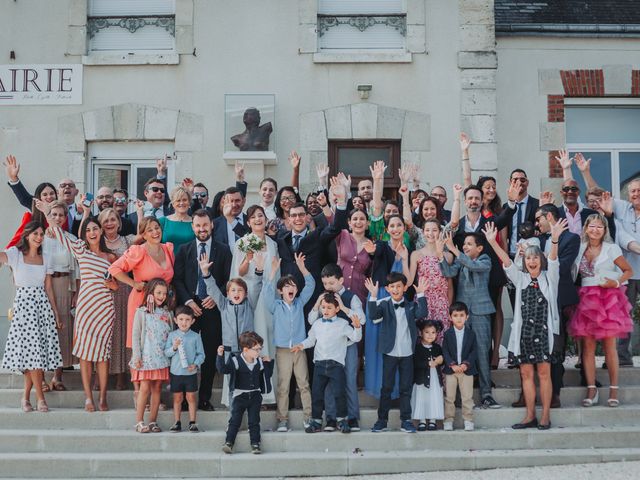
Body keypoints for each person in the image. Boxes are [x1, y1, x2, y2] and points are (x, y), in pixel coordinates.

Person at [484, 220, 564, 430]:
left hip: (544, 333)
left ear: (541, 259)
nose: (531, 261)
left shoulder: (549, 278)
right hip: (524, 335)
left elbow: (554, 260)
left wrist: (554, 239)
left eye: (535, 257)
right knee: (526, 374)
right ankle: (530, 415)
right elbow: (506, 262)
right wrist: (493, 243)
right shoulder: (520, 279)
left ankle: (545, 415)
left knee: (544, 374)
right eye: (528, 258)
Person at [47, 207, 117, 412]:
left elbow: (116, 286)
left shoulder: (111, 257)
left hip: (105, 309)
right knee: (85, 355)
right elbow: (59, 232)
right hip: (86, 308)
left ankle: (103, 396)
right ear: (84, 234)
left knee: (103, 356)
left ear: (101, 231)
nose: (92, 233)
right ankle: (88, 398)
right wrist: (46, 213)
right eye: (88, 230)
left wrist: (112, 285)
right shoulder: (80, 250)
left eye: (95, 229)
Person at [108, 216, 175, 406]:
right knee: (140, 343)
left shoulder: (167, 249)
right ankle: (139, 392)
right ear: (143, 234)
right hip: (141, 302)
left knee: (158, 345)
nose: (155, 232)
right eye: (150, 230)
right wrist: (133, 283)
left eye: (157, 228)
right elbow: (115, 268)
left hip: (162, 304)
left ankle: (156, 391)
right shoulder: (138, 251)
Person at [569, 214, 634, 407]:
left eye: (600, 227)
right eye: (592, 226)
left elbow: (628, 271)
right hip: (585, 299)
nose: (595, 230)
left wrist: (615, 282)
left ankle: (614, 390)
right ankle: (591, 389)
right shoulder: (580, 248)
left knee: (609, 347)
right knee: (587, 348)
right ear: (586, 228)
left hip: (607, 298)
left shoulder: (612, 248)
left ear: (605, 230)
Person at [173, 209, 232, 411]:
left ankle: (204, 398)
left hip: (212, 308)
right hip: (189, 308)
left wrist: (216, 298)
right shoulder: (184, 250)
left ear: (211, 225)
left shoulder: (223, 250)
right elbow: (177, 280)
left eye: (205, 225)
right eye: (198, 225)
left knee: (208, 354)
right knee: (185, 352)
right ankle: (182, 399)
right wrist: (189, 301)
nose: (202, 229)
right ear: (193, 227)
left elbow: (228, 279)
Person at [1, 222, 62, 413]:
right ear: (27, 235)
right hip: (24, 308)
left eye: (41, 234)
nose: (39, 237)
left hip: (41, 307)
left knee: (35, 355)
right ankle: (40, 398)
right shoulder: (15, 254)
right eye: (35, 233)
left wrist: (56, 313)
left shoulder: (46, 258)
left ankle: (25, 397)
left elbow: (49, 289)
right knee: (32, 354)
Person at [439, 231, 500, 409]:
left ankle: (486, 394)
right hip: (462, 314)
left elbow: (474, 266)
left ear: (479, 248)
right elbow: (448, 272)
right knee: (460, 351)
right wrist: (441, 254)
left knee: (481, 351)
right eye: (464, 244)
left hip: (481, 312)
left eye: (469, 244)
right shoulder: (461, 259)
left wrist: (455, 251)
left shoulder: (485, 260)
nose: (465, 247)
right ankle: (458, 396)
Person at [365, 273, 429, 434]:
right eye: (392, 286)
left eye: (399, 286)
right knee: (386, 387)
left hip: (407, 353)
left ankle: (406, 420)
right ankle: (382, 420)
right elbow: (373, 315)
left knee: (405, 388)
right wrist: (373, 295)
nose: (395, 289)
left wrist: (420, 294)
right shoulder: (384, 305)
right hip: (390, 352)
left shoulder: (410, 305)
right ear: (387, 289)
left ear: (405, 288)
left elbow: (422, 314)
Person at [230, 205, 280, 405]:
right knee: (251, 341)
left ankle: (267, 393)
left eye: (261, 215)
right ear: (248, 222)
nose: (258, 219)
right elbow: (239, 273)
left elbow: (276, 271)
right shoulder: (243, 243)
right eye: (253, 217)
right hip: (251, 294)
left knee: (267, 340)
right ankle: (246, 391)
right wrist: (248, 258)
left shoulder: (272, 243)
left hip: (269, 295)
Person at [293, 293, 362, 434]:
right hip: (319, 365)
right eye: (323, 307)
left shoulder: (343, 324)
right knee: (317, 394)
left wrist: (357, 327)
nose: (325, 310)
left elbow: (356, 338)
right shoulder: (317, 324)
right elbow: (311, 340)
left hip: (336, 365)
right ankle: (316, 422)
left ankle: (342, 421)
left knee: (339, 394)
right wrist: (301, 345)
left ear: (337, 309)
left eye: (329, 308)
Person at [308, 264, 366, 431]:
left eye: (332, 283)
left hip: (348, 345)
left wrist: (343, 306)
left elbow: (361, 320)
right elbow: (312, 320)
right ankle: (331, 418)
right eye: (325, 284)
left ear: (341, 280)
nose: (328, 287)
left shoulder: (351, 297)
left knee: (348, 381)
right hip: (329, 348)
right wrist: (318, 302)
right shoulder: (324, 298)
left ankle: (352, 417)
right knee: (327, 384)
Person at [263, 255, 315, 432]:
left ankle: (309, 418)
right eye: (286, 286)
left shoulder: (300, 303)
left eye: (293, 286)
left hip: (299, 349)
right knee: (283, 385)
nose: (290, 288)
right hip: (283, 350)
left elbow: (311, 285)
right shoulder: (275, 306)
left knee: (304, 384)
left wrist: (302, 267)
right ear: (281, 291)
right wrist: (273, 272)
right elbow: (266, 292)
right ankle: (282, 420)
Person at [200, 253, 256, 407]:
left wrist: (259, 270)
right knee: (233, 387)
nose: (236, 293)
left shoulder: (249, 305)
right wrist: (205, 273)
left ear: (245, 294)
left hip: (247, 353)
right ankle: (233, 419)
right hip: (230, 354)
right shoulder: (224, 305)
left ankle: (249, 416)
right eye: (233, 290)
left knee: (249, 386)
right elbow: (212, 290)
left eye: (239, 290)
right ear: (227, 293)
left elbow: (257, 286)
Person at [363, 214, 409, 399]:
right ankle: (379, 388)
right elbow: (375, 252)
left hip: (398, 298)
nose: (396, 228)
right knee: (376, 343)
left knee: (397, 342)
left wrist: (404, 259)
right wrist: (372, 251)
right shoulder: (382, 245)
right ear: (387, 229)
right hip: (379, 294)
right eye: (392, 225)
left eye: (399, 225)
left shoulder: (408, 249)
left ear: (404, 229)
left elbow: (409, 279)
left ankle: (397, 390)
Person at [98, 207, 138, 390]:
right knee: (105, 333)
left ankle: (122, 373)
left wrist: (140, 212)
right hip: (103, 290)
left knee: (122, 331)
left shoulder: (127, 240)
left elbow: (143, 235)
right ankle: (100, 375)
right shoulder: (97, 241)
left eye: (113, 219)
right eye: (105, 220)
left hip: (124, 290)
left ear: (119, 222)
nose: (109, 223)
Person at [42, 201, 79, 392]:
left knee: (62, 329)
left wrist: (76, 293)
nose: (57, 218)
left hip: (65, 285)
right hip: (42, 286)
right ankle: (40, 377)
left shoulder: (70, 238)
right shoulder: (39, 238)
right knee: (42, 329)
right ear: (48, 216)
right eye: (53, 214)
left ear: (65, 218)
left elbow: (78, 269)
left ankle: (57, 376)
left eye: (61, 215)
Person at [217, 331, 274, 455]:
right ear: (246, 350)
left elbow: (268, 375)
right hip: (239, 396)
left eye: (260, 349)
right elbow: (223, 370)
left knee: (254, 421)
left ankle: (255, 444)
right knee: (234, 420)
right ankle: (229, 442)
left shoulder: (258, 361)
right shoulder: (236, 360)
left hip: (255, 395)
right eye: (257, 349)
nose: (259, 352)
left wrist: (269, 363)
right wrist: (220, 356)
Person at [130, 279, 173, 433]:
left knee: (157, 389)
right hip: (146, 358)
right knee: (145, 388)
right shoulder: (141, 312)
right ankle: (139, 421)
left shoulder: (168, 313)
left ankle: (153, 421)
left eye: (164, 293)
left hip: (161, 358)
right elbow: (135, 335)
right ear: (150, 293)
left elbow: (171, 334)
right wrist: (137, 356)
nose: (161, 296)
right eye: (158, 293)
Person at [4, 154, 81, 235]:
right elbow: (24, 198)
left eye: (52, 193)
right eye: (44, 194)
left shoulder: (74, 209)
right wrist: (14, 178)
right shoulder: (38, 206)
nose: (49, 197)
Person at [406, 219, 453, 342]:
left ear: (440, 231)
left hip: (442, 303)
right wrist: (404, 256)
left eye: (434, 230)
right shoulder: (416, 254)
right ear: (423, 232)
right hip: (423, 302)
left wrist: (450, 307)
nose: (431, 233)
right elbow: (410, 281)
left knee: (441, 338)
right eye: (427, 230)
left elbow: (450, 285)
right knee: (423, 338)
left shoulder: (448, 256)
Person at [166, 305, 205, 433]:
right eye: (181, 319)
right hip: (176, 373)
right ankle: (177, 422)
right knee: (177, 398)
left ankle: (192, 422)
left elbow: (201, 354)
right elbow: (167, 353)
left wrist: (196, 364)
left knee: (191, 397)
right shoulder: (172, 336)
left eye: (187, 320)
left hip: (190, 373)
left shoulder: (195, 336)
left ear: (192, 321)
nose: (184, 322)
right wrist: (174, 348)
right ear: (176, 320)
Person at [442, 302, 478, 431]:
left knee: (467, 397)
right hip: (451, 371)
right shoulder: (447, 334)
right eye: (455, 315)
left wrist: (465, 364)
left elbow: (474, 351)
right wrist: (451, 364)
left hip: (466, 371)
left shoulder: (471, 334)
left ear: (467, 317)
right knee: (449, 397)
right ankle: (448, 420)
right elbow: (445, 351)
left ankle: (468, 419)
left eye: (461, 315)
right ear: (450, 317)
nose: (458, 318)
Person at [411, 320, 444, 431]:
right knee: (423, 398)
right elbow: (415, 363)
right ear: (421, 333)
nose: (430, 335)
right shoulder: (418, 348)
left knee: (433, 397)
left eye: (433, 332)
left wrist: (440, 360)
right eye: (427, 332)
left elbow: (442, 359)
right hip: (422, 379)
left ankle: (433, 420)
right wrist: (427, 363)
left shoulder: (438, 348)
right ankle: (422, 420)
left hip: (434, 379)